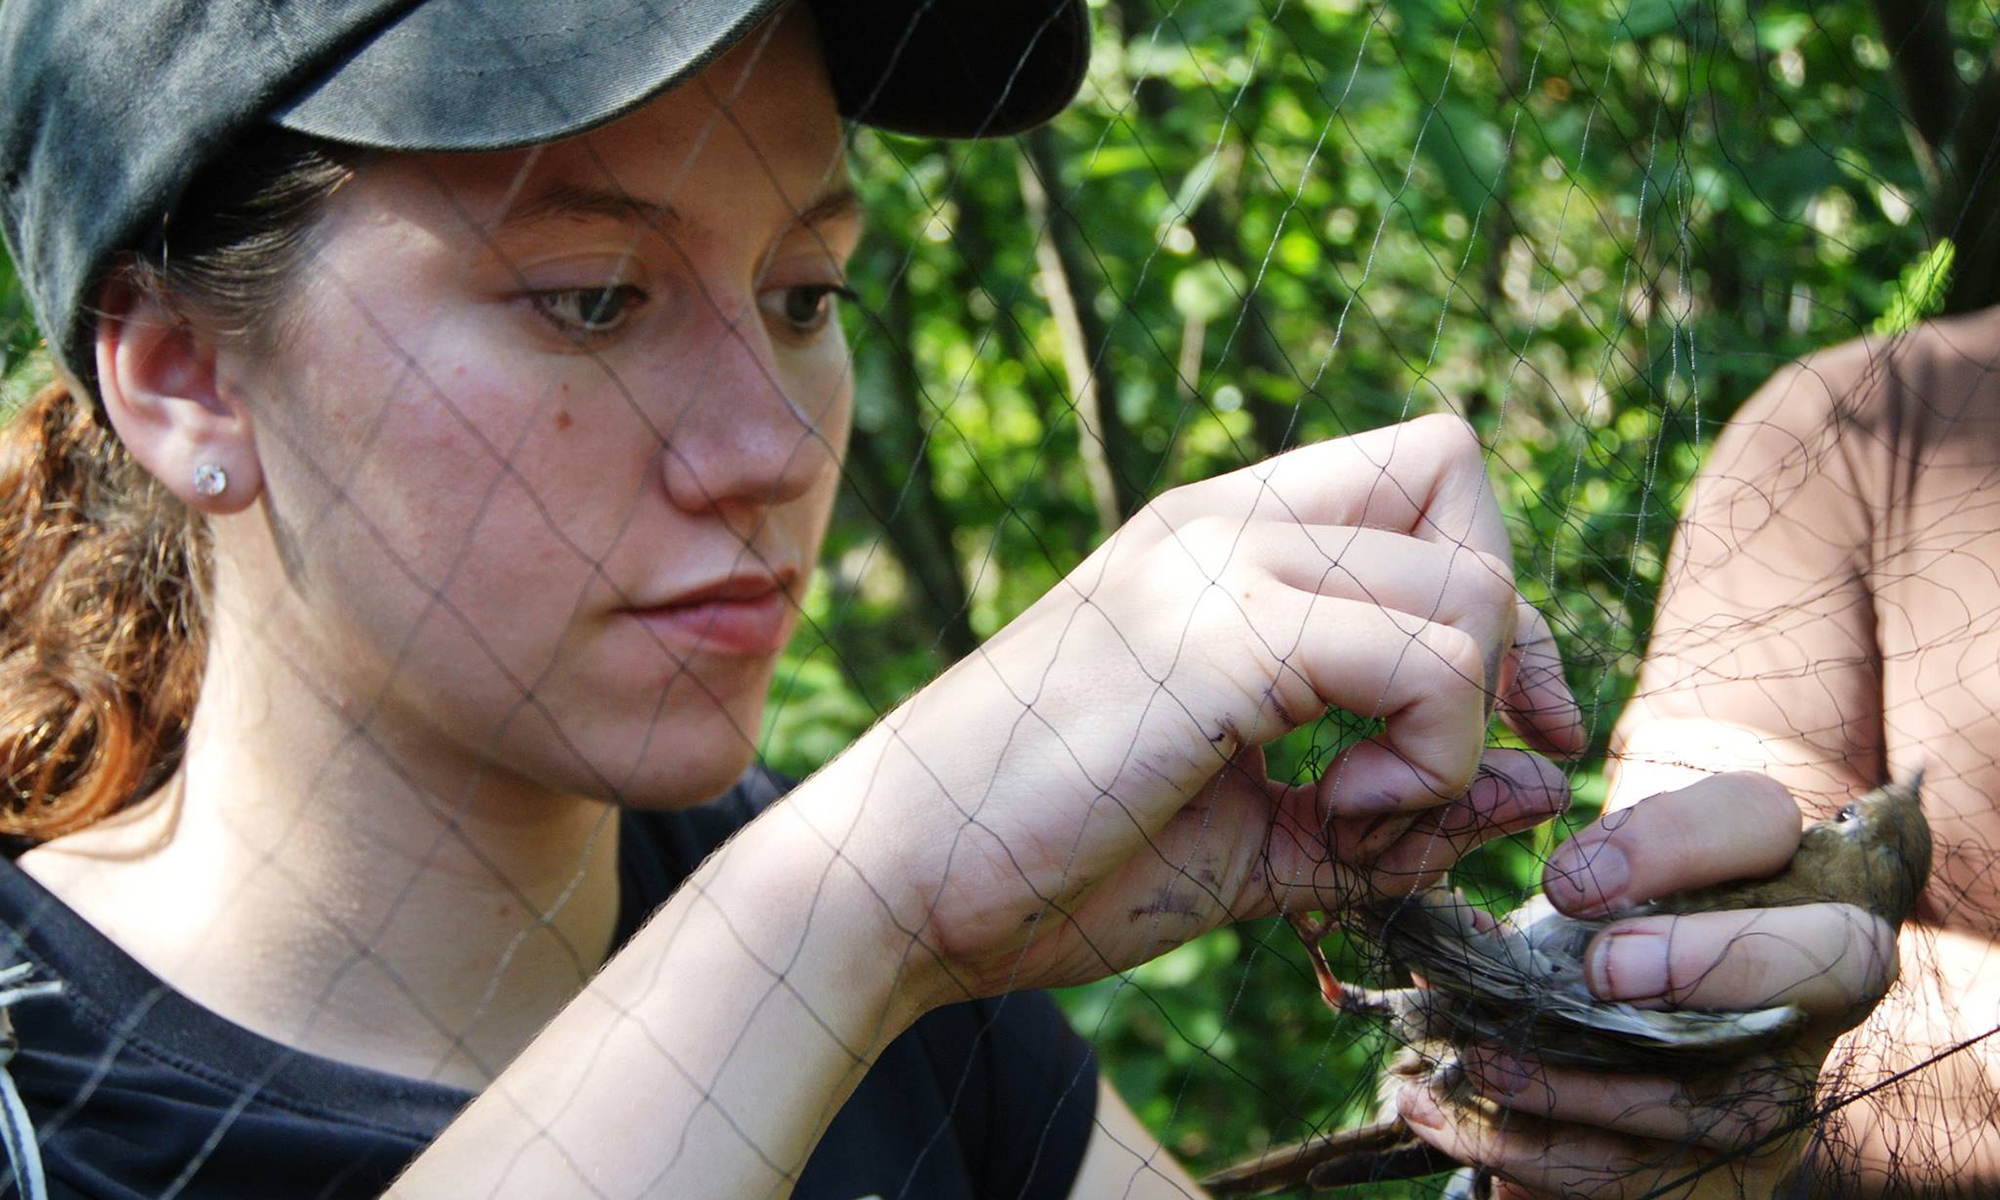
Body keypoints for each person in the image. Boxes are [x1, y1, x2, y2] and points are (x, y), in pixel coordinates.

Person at [0, 1, 1892, 1198]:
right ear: (184, 376)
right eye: (592, 294)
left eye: (809, 296)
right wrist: (859, 893)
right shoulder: (35, 1085)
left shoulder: (918, 1021)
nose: (768, 441)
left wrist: (1622, 1127)